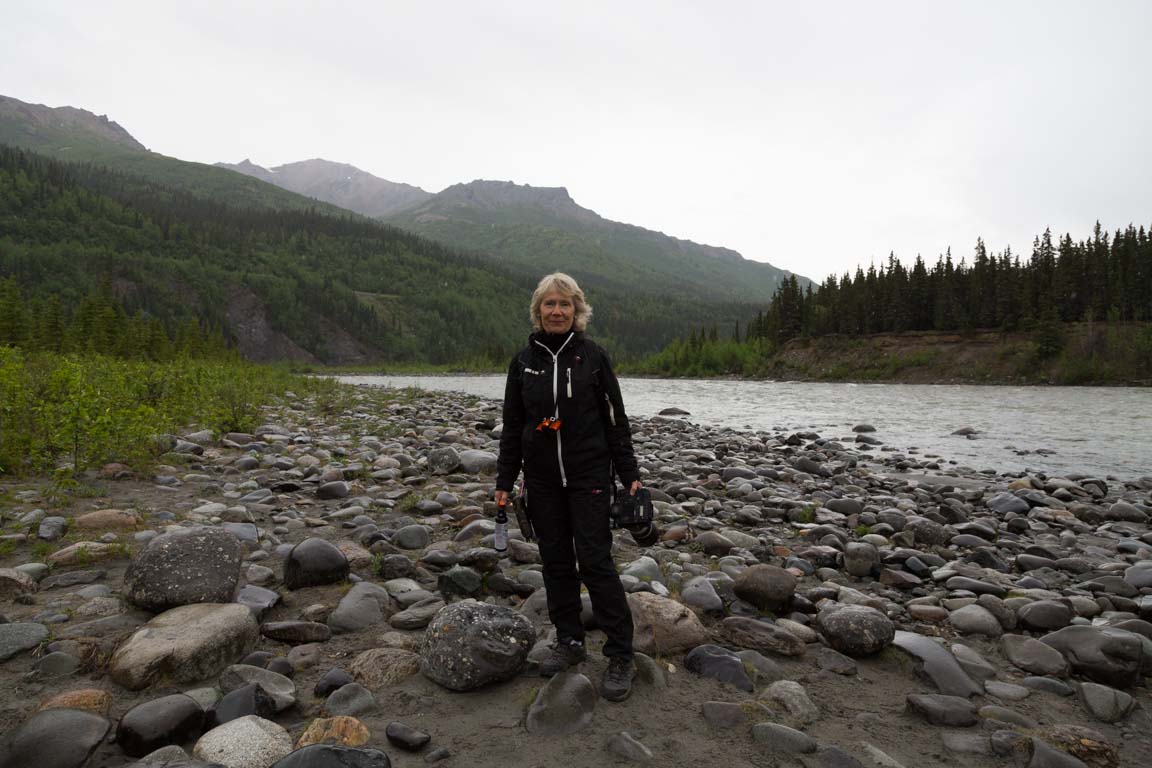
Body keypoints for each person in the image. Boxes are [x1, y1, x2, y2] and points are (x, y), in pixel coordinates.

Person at [495, 272, 642, 702]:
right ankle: (570, 641)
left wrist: (629, 475)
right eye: (549, 304)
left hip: (589, 477)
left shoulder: (593, 357)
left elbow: (616, 421)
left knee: (596, 562)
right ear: (538, 310)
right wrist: (505, 480)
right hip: (541, 481)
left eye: (565, 305)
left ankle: (620, 655)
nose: (557, 311)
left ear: (578, 311)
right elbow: (513, 427)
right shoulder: (523, 362)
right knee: (556, 563)